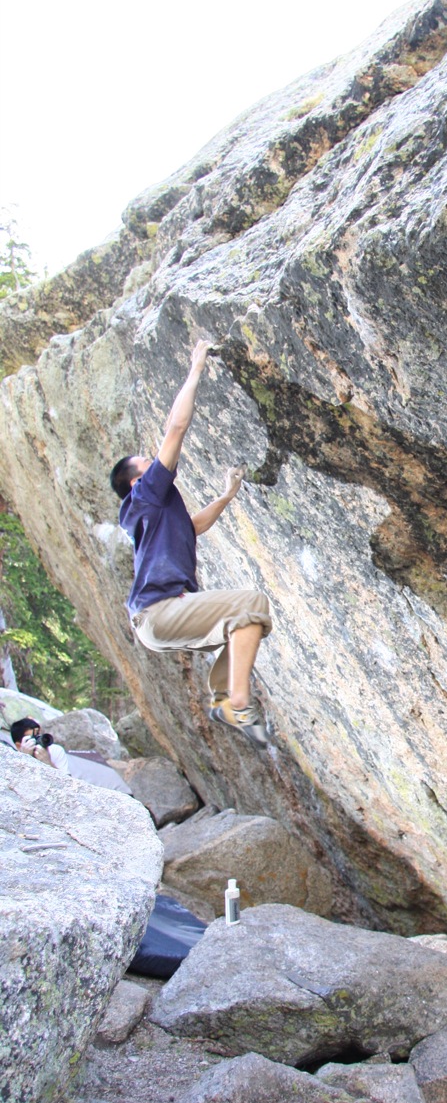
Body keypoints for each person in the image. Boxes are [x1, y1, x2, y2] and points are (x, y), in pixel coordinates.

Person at [109, 339, 272, 746]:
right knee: (251, 602)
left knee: (247, 622)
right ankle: (237, 701)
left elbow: (194, 526)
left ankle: (223, 698)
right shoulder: (145, 494)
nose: (154, 460)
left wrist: (225, 496)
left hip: (158, 622)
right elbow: (176, 429)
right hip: (160, 612)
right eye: (145, 462)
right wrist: (196, 367)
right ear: (135, 480)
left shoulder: (156, 512)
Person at [11, 717, 133, 794]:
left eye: (39, 736)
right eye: (31, 738)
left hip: (110, 792)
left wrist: (47, 764)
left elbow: (64, 787)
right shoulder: (13, 762)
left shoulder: (54, 751)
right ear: (18, 745)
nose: (38, 741)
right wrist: (26, 759)